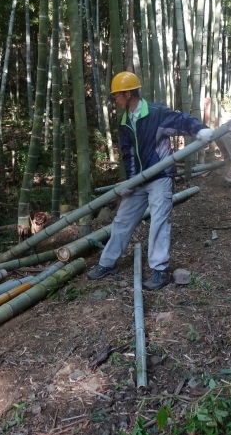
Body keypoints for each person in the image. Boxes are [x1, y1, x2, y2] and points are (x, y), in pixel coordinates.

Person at [87, 72, 211, 291]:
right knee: (122, 221)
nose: (115, 99)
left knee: (159, 221)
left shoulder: (155, 112)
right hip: (138, 181)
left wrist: (199, 129)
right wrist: (130, 182)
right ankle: (107, 263)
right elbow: (128, 155)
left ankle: (160, 270)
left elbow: (180, 119)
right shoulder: (125, 121)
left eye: (117, 95)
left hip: (160, 178)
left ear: (128, 93)